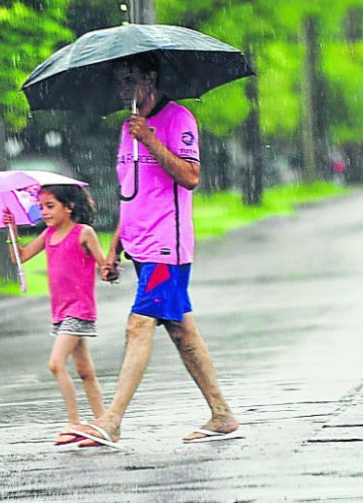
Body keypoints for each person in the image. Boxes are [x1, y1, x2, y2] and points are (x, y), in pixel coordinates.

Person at [72, 53, 239, 448]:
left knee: (139, 324)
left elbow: (191, 176)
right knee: (182, 330)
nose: (123, 88)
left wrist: (150, 138)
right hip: (140, 244)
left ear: (150, 78)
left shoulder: (177, 119)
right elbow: (129, 195)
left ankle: (111, 421)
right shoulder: (125, 129)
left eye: (129, 79)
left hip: (168, 246)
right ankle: (221, 413)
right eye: (118, 81)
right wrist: (114, 249)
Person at [2, 184, 111, 446]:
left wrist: (108, 271)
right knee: (85, 371)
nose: (45, 212)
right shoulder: (48, 234)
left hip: (79, 310)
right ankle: (104, 423)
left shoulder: (83, 233)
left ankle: (74, 422)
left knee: (56, 363)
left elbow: (103, 264)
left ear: (69, 206)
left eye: (50, 206)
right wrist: (12, 232)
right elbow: (21, 257)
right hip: (61, 312)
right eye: (41, 207)